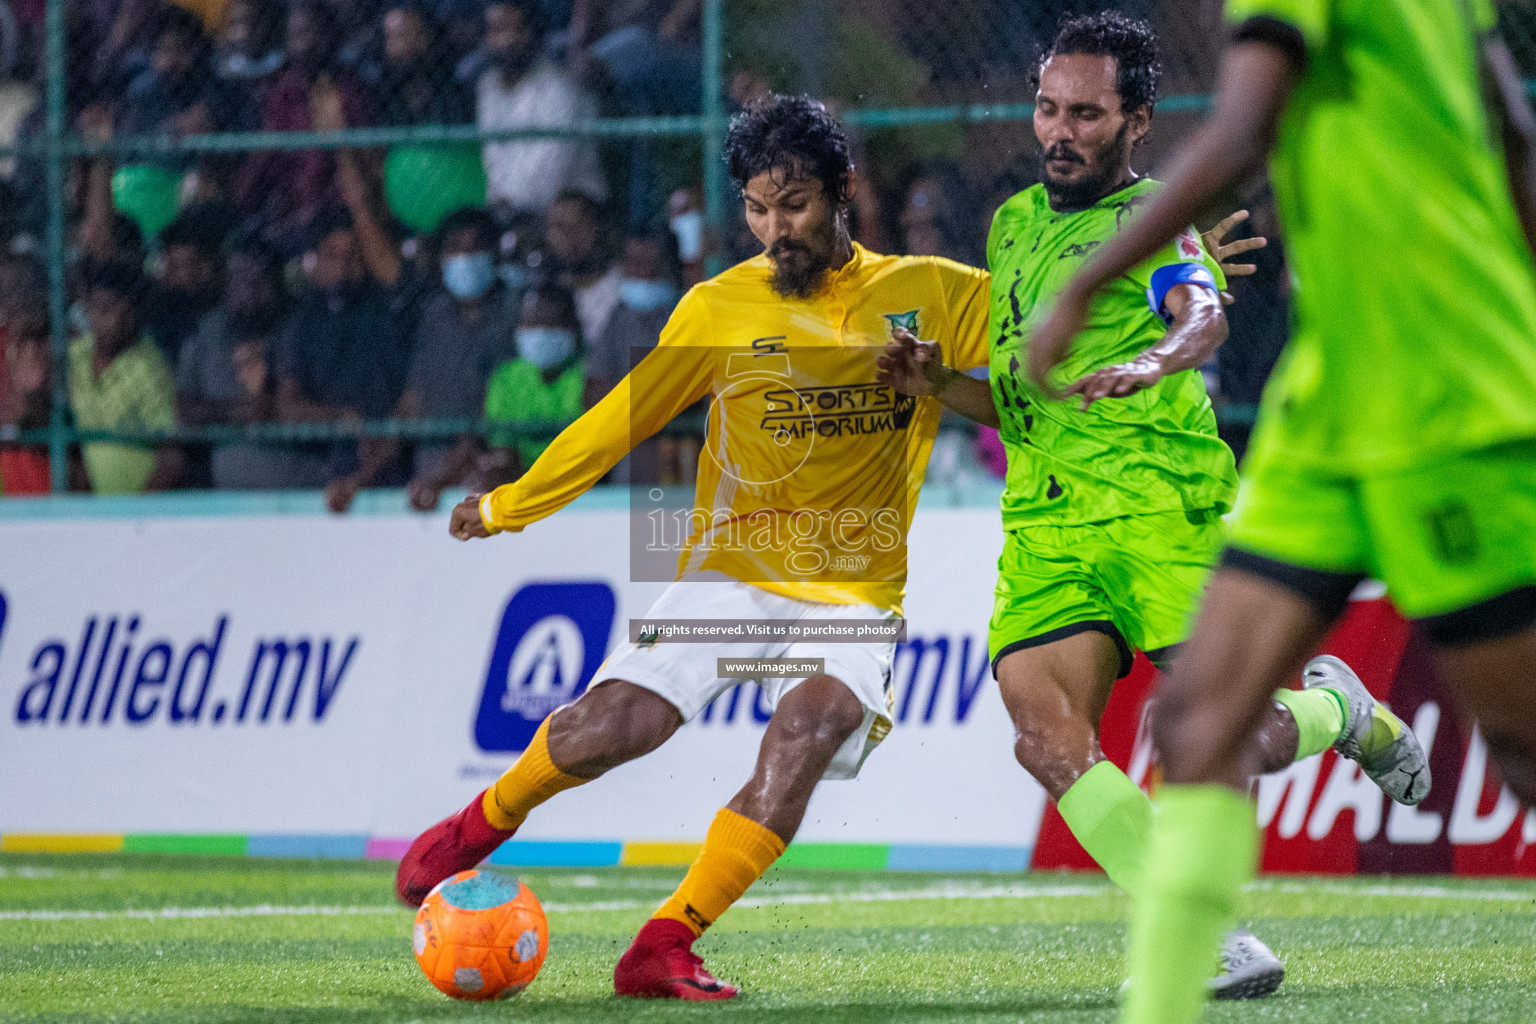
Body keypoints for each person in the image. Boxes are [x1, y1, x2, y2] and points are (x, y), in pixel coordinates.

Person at [876, 12, 1430, 1001]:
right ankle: (1206, 938)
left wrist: (1156, 356)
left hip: (1159, 508)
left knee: (1226, 735)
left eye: (1086, 113)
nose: (1059, 130)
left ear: (1137, 123)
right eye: (1048, 108)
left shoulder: (1163, 223)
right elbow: (1016, 394)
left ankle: (1335, 706)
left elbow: (1203, 315)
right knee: (1043, 736)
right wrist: (933, 383)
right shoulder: (1010, 226)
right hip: (1045, 522)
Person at [394, 93, 996, 1000]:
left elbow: (1049, 340)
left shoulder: (936, 293)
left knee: (810, 726)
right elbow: (617, 423)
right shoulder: (718, 308)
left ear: (841, 192)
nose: (773, 228)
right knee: (615, 729)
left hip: (859, 590)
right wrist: (512, 505)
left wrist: (1172, 281)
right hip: (732, 572)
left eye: (792, 205)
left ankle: (663, 945)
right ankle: (487, 817)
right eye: (756, 208)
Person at [1021, 3, 1536, 1022]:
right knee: (1201, 719)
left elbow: (1246, 128)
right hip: (1329, 393)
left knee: (1522, 745)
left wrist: (1086, 281)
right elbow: (1514, 135)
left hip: (1443, 385)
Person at [327, 207, 519, 513]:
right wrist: (359, 479)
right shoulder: (434, 315)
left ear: (495, 253)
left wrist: (442, 479)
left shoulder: (516, 314)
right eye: (455, 249)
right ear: (441, 257)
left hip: (485, 482)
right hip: (426, 482)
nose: (465, 258)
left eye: (475, 248)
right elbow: (412, 402)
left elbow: (494, 414)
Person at [178, 241, 329, 489]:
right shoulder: (207, 334)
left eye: (259, 279)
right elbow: (183, 410)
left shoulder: (304, 328)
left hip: (303, 493)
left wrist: (279, 409)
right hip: (226, 498)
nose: (249, 290)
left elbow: (333, 406)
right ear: (225, 284)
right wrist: (235, 411)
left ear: (277, 283)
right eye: (239, 280)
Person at [477, 0, 606, 214]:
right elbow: (493, 158)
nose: (502, 41)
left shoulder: (558, 86)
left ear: (529, 33)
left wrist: (516, 206)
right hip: (509, 207)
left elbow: (552, 165)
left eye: (509, 30)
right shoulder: (487, 86)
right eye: (494, 31)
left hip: (569, 201)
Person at [69, 260, 182, 494]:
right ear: (88, 308)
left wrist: (137, 513)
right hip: (84, 508)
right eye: (103, 308)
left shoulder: (150, 368)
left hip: (135, 512)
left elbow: (171, 455)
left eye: (124, 311)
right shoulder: (74, 357)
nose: (114, 320)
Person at [478, 279, 587, 485]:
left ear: (572, 327)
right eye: (531, 324)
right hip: (521, 484)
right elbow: (503, 448)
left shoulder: (589, 375)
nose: (540, 334)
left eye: (550, 324)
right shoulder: (506, 378)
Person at [544, 188, 622, 345]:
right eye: (559, 227)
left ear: (596, 227)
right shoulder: (544, 293)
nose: (567, 236)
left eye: (577, 225)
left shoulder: (623, 289)